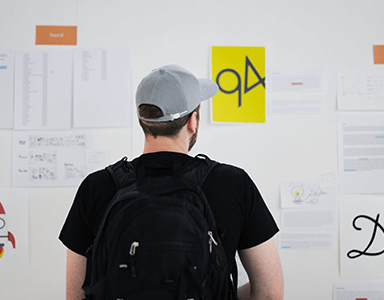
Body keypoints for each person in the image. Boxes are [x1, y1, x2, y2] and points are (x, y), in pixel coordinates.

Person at [59, 64, 284, 300]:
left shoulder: (96, 187)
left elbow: (75, 295)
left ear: (141, 120)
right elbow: (270, 293)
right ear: (192, 122)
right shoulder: (234, 184)